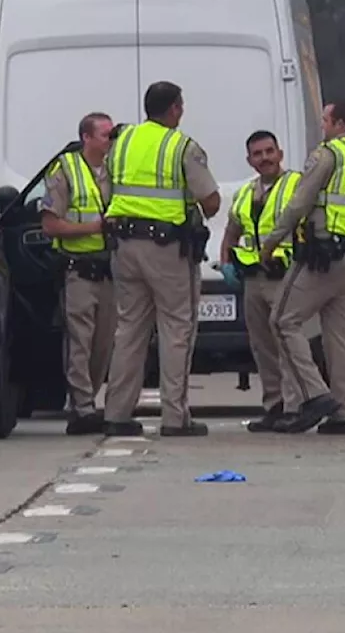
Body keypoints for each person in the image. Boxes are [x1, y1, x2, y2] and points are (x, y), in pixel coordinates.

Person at [258, 100, 345, 435]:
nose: (323, 126)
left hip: (322, 255)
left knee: (282, 319)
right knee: (342, 336)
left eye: (326, 120)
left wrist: (272, 241)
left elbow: (300, 201)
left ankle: (314, 394)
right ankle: (344, 413)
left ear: (340, 124)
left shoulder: (330, 154)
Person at [101, 81, 221, 438]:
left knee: (130, 330)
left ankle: (117, 413)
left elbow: (107, 192)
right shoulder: (180, 145)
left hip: (124, 245)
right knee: (177, 328)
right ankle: (175, 417)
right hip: (166, 249)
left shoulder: (121, 143)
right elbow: (211, 201)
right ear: (173, 109)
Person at [217, 130, 301, 433]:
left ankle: (294, 407)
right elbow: (231, 231)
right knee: (262, 346)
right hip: (253, 279)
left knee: (288, 344)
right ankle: (274, 407)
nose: (264, 158)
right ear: (249, 160)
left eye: (269, 151)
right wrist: (226, 263)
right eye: (257, 154)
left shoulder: (296, 185)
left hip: (286, 277)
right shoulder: (246, 193)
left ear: (279, 153)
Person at [40, 111, 117, 436]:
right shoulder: (65, 171)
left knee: (104, 344)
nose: (111, 140)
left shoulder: (117, 170)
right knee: (80, 344)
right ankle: (82, 408)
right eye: (105, 135)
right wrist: (94, 227)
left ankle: (90, 401)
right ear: (86, 138)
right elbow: (49, 225)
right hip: (79, 271)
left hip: (111, 272)